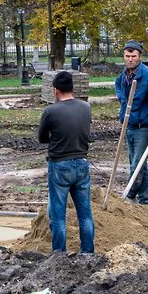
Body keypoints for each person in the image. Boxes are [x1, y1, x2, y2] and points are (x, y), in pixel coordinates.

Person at [38, 71, 94, 254]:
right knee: (85, 213)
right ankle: (87, 253)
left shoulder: (50, 111)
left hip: (59, 166)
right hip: (82, 164)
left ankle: (59, 255)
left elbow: (42, 138)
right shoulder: (86, 107)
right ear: (73, 88)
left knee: (58, 214)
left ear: (55, 90)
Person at [115, 39, 148, 205]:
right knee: (139, 165)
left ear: (140, 56)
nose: (130, 59)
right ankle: (145, 202)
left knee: (136, 165)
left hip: (143, 129)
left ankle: (128, 197)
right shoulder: (122, 78)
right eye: (127, 56)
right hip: (129, 127)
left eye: (133, 56)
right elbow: (124, 102)